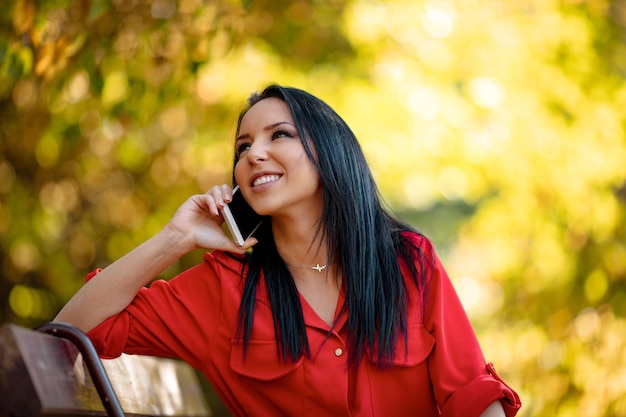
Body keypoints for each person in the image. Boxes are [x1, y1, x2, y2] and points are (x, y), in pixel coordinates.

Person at [54, 84, 522, 417]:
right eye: (243, 146)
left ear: (331, 153)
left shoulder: (407, 262)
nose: (253, 154)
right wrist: (175, 239)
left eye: (279, 135)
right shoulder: (222, 289)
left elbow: (472, 396)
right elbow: (71, 330)